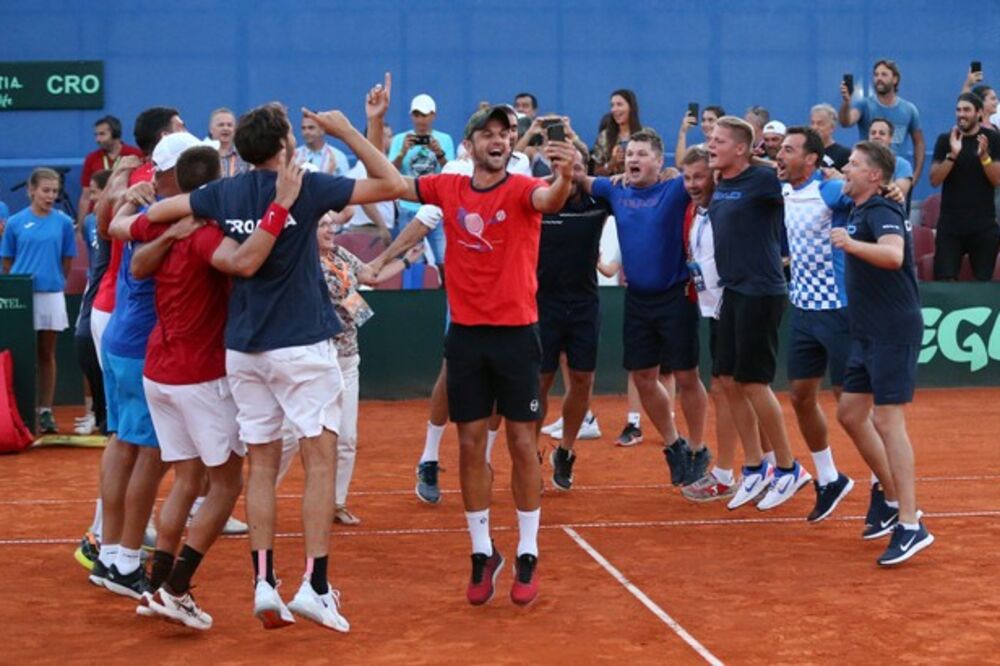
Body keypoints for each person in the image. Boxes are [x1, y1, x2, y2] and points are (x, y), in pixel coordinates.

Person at [146, 75, 405, 631]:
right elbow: (394, 183)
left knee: (260, 465)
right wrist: (350, 131)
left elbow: (157, 215)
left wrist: (139, 210)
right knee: (318, 460)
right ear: (285, 148)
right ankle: (314, 585)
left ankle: (265, 581)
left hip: (243, 352)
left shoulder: (222, 193)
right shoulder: (306, 187)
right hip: (302, 348)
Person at [370, 104, 576, 607]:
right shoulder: (447, 186)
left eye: (505, 133)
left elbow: (550, 199)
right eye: (488, 133)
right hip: (465, 336)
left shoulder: (524, 188)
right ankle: (483, 552)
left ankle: (528, 551)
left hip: (516, 335)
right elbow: (394, 184)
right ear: (470, 145)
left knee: (523, 445)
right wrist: (366, 126)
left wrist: (566, 173)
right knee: (467, 446)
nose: (499, 139)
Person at [111, 137, 303, 628]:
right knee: (225, 483)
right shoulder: (203, 235)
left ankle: (154, 588)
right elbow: (242, 263)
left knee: (188, 479)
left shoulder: (166, 226)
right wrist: (279, 209)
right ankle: (176, 589)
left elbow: (134, 261)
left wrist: (168, 233)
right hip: (197, 377)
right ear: (215, 185)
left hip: (160, 372)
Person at [579, 128, 710, 488]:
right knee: (643, 377)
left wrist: (684, 168)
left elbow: (707, 171)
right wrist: (566, 161)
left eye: (641, 154)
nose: (632, 159)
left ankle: (699, 449)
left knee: (686, 376)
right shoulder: (615, 189)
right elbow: (580, 178)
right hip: (637, 298)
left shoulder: (675, 188)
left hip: (676, 295)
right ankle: (674, 446)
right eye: (629, 153)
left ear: (659, 160)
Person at [831, 140, 934, 566]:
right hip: (869, 331)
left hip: (894, 329)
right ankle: (891, 498)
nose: (846, 170)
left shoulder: (884, 210)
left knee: (887, 420)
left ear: (875, 176)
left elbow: (893, 256)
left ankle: (911, 525)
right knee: (851, 413)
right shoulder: (861, 208)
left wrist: (851, 245)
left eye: (853, 165)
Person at [707, 116, 811, 511]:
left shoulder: (764, 181)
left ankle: (788, 468)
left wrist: (771, 161)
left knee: (752, 382)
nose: (712, 145)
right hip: (734, 291)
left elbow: (799, 178)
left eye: (718, 141)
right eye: (711, 139)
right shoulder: (723, 183)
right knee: (727, 379)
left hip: (762, 291)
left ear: (740, 149)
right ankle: (754, 468)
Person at [774, 127, 861, 522]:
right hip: (804, 311)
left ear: (811, 159)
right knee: (800, 396)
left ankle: (887, 487)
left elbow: (864, 192)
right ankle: (829, 478)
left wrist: (891, 190)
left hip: (839, 311)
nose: (780, 155)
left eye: (789, 150)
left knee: (851, 407)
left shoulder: (828, 191)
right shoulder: (785, 189)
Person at [315, 214, 425, 524]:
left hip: (349, 358)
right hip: (317, 361)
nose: (330, 230)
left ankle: (336, 503)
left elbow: (370, 275)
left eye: (330, 225)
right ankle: (265, 490)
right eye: (322, 226)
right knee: (293, 437)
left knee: (347, 438)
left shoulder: (339, 254)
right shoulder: (304, 263)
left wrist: (405, 261)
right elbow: (350, 297)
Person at [537, 145, 610, 490]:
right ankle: (529, 450)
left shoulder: (598, 203)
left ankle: (564, 451)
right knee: (539, 382)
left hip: (583, 305)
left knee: (582, 381)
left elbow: (630, 193)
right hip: (542, 305)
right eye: (564, 165)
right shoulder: (537, 198)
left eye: (578, 165)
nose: (571, 171)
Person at [676, 147, 741, 502]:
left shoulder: (728, 209)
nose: (692, 184)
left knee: (735, 388)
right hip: (713, 308)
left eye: (699, 177)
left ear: (715, 176)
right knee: (728, 387)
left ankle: (739, 471)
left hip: (736, 304)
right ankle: (755, 468)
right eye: (686, 178)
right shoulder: (693, 210)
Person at [1, 167, 78, 434]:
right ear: (31, 190)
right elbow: (8, 261)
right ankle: (19, 411)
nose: (50, 195)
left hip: (52, 295)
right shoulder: (15, 223)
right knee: (22, 355)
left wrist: (52, 280)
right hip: (21, 297)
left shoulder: (64, 223)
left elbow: (67, 261)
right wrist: (22, 286)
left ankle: (45, 411)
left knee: (46, 353)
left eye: (54, 191)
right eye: (45, 190)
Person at [928, 92, 1000, 281]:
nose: (961, 114)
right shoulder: (945, 140)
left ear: (978, 113)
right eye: (958, 110)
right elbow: (934, 180)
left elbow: (997, 180)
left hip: (984, 226)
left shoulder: (992, 139)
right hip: (950, 226)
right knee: (945, 282)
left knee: (983, 283)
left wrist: (984, 157)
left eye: (967, 110)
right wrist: (953, 154)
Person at [388, 93, 456, 265]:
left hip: (436, 207)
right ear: (411, 116)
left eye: (424, 115)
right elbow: (389, 172)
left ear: (433, 116)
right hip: (408, 207)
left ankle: (446, 291)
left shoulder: (445, 139)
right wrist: (402, 152)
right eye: (417, 115)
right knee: (411, 262)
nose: (420, 120)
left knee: (444, 259)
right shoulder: (399, 140)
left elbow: (452, 173)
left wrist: (439, 153)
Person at [839, 59, 926, 183]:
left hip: (897, 176)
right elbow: (846, 122)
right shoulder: (864, 105)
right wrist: (847, 102)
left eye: (884, 74)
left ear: (895, 79)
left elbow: (919, 143)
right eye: (876, 75)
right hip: (868, 174)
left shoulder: (909, 110)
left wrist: (914, 176)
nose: (879, 78)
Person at [74, 168, 112, 437]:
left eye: (96, 193)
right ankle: (100, 413)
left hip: (116, 299)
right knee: (83, 347)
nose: (91, 198)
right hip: (94, 295)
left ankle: (110, 417)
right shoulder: (89, 222)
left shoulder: (119, 218)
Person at [77, 115, 144, 227]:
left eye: (102, 134)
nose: (97, 139)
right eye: (96, 135)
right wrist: (81, 226)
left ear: (115, 134)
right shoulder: (91, 159)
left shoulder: (135, 154)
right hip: (96, 217)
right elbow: (86, 196)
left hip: (124, 214)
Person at [592, 89, 643, 176]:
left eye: (619, 104)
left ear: (631, 107)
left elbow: (655, 166)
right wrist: (611, 164)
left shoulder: (645, 135)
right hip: (612, 186)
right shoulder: (604, 137)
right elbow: (596, 172)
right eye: (612, 105)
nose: (614, 109)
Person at [869, 118, 914, 198]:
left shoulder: (902, 165)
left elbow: (898, 193)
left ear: (890, 138)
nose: (876, 136)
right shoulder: (859, 163)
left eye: (882, 133)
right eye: (873, 133)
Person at [209, 107, 250, 177]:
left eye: (229, 125)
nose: (226, 128)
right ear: (211, 129)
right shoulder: (203, 154)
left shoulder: (245, 155)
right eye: (221, 125)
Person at [810, 104, 851, 171]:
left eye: (820, 124)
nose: (815, 127)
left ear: (832, 127)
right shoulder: (806, 151)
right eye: (812, 123)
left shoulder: (844, 154)